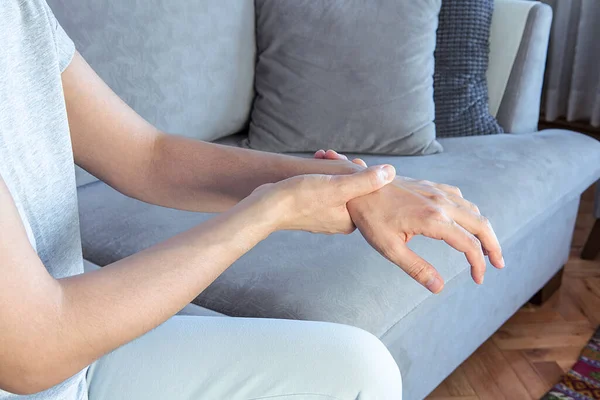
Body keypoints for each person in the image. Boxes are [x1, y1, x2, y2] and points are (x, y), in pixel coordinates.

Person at [0, 1, 505, 399]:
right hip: (53, 353)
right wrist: (273, 210)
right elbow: (35, 350)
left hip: (80, 364)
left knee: (359, 370)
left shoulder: (20, 12)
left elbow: (148, 157)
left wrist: (358, 183)